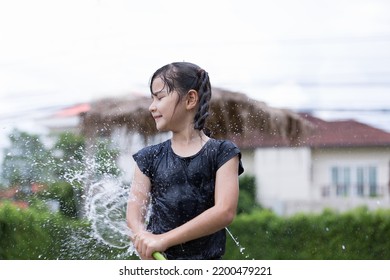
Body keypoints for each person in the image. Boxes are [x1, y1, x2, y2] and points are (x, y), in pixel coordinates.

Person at [126, 62, 244, 260]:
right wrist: (142, 236)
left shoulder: (222, 153)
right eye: (152, 99)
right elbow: (134, 216)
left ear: (190, 99)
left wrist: (164, 240)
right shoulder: (148, 158)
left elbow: (225, 211)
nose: (152, 106)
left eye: (160, 97)